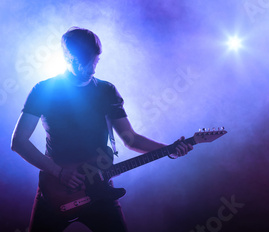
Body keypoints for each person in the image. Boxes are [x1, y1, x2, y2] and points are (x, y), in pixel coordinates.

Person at [11, 27, 193, 232]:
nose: (91, 68)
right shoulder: (44, 90)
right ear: (67, 58)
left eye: (95, 61)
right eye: (84, 62)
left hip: (100, 187)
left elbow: (130, 139)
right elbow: (18, 141)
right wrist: (60, 173)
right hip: (56, 189)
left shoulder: (106, 91)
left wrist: (168, 148)